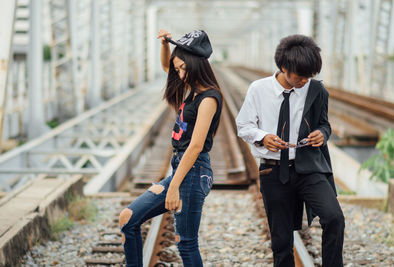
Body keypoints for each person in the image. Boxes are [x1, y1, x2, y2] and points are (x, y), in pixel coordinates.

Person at [236, 34, 345, 267]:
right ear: (284, 67)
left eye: (310, 76)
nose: (305, 81)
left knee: (334, 218)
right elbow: (243, 126)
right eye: (300, 76)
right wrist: (263, 137)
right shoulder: (258, 89)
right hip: (273, 171)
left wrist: (322, 134)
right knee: (281, 240)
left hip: (309, 168)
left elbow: (325, 124)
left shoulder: (316, 91)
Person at [118, 29, 223, 267]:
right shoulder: (190, 87)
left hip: (194, 172)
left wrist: (174, 186)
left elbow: (196, 146)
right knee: (128, 218)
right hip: (181, 169)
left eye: (183, 68)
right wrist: (165, 45)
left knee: (185, 242)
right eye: (178, 69)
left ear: (197, 65)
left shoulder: (208, 98)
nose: (179, 74)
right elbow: (168, 67)